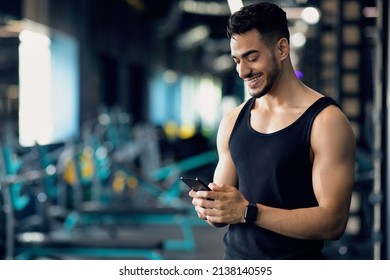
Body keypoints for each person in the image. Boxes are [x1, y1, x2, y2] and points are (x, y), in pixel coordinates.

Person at [188, 2, 356, 260]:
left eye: (252, 57)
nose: (242, 71)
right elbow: (221, 216)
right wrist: (212, 207)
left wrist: (248, 212)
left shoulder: (325, 121)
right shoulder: (233, 121)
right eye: (237, 60)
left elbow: (333, 222)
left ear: (282, 48)